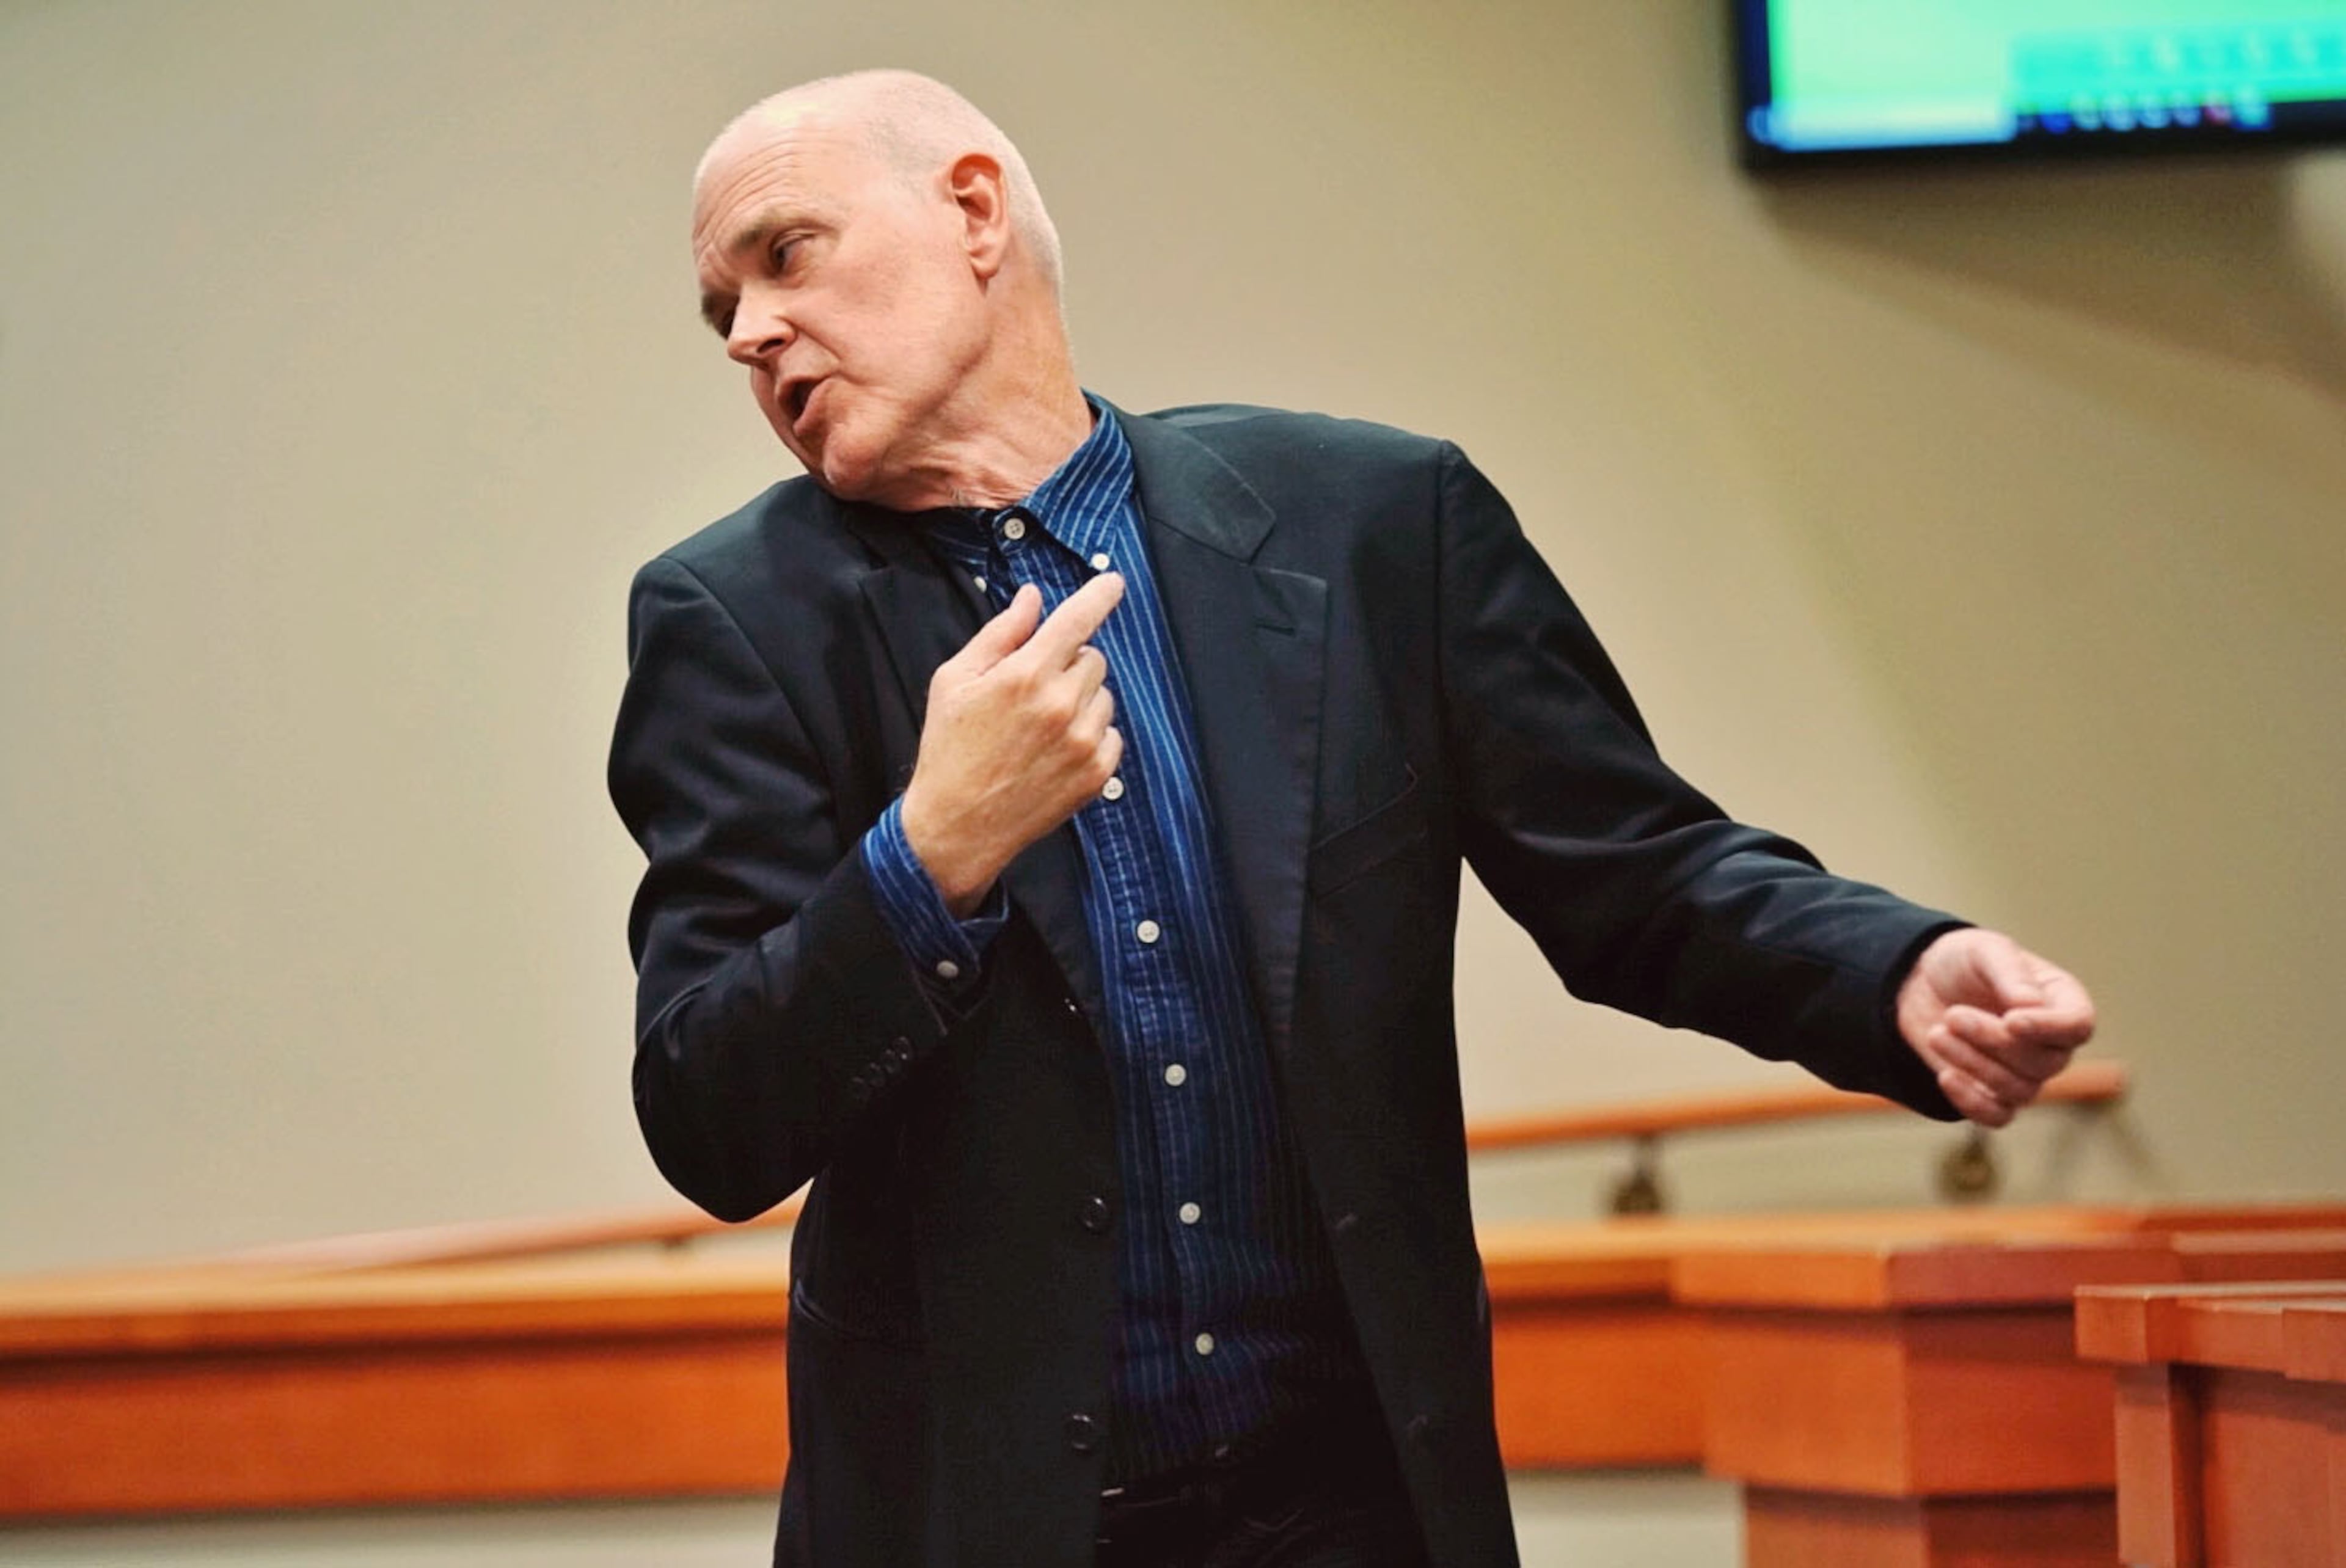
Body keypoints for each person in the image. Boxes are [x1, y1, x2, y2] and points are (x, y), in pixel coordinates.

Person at [607, 69, 2096, 1568]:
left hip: (1354, 1511)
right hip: (987, 1525)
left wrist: (1897, 971)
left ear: (974, 213)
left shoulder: (1372, 526)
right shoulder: (729, 621)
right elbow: (708, 1114)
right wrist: (931, 857)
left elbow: (1640, 873)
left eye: (784, 254)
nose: (750, 331)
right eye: (720, 307)